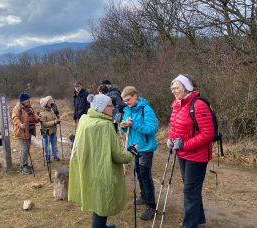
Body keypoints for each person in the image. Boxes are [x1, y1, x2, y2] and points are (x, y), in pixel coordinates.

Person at [69, 94, 133, 228]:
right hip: (101, 170)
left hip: (87, 166)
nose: (113, 108)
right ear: (101, 108)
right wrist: (131, 152)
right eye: (110, 106)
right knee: (102, 201)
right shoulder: (105, 125)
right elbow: (118, 155)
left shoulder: (85, 119)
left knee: (95, 197)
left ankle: (101, 225)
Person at [167, 74, 214, 228]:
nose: (173, 90)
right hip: (183, 153)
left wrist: (184, 145)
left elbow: (208, 134)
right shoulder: (177, 104)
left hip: (197, 156)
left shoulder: (199, 104)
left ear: (186, 88)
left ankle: (190, 224)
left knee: (189, 191)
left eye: (176, 88)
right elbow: (174, 127)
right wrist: (170, 140)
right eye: (172, 88)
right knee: (191, 188)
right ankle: (199, 220)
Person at [120, 86, 158, 220]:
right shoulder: (127, 110)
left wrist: (133, 124)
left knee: (145, 175)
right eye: (124, 101)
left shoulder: (146, 109)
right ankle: (143, 196)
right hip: (134, 148)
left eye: (128, 100)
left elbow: (152, 129)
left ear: (135, 96)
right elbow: (126, 129)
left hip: (146, 148)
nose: (126, 103)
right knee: (138, 172)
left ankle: (151, 206)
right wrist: (123, 126)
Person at [12, 93, 40, 175]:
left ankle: (25, 164)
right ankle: (23, 166)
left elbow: (34, 116)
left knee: (27, 149)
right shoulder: (17, 108)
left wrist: (38, 118)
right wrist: (20, 124)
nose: (29, 101)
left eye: (29, 99)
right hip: (21, 132)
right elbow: (14, 117)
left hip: (29, 132)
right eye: (28, 99)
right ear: (23, 101)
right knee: (24, 149)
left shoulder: (29, 108)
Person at [39, 96, 60, 161]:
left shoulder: (51, 111)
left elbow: (54, 119)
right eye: (48, 102)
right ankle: (47, 158)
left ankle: (55, 156)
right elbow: (44, 124)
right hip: (46, 132)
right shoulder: (42, 113)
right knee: (46, 145)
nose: (50, 103)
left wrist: (57, 120)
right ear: (45, 104)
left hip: (53, 131)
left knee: (53, 144)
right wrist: (54, 122)